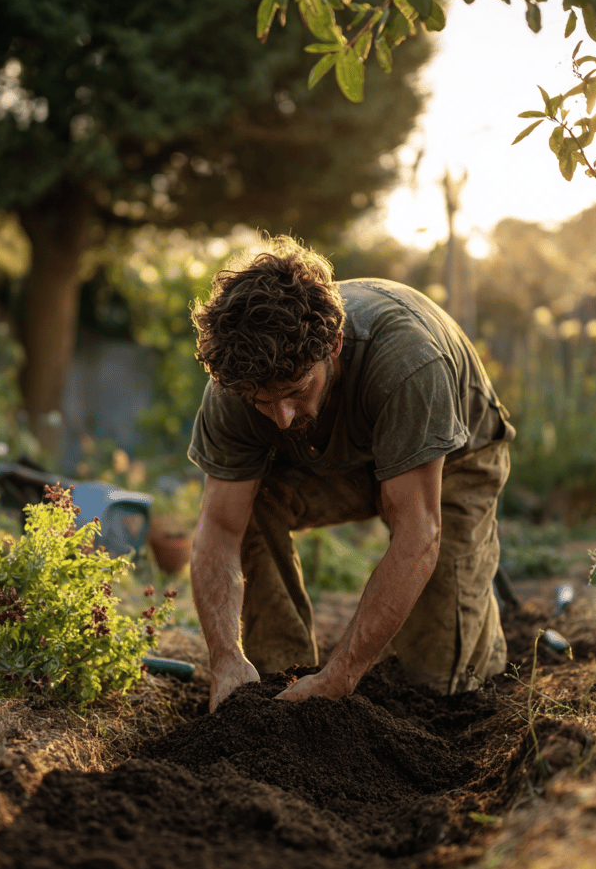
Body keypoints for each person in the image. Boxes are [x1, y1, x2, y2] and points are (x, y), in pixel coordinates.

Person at [187, 235, 515, 713]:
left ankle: (465, 651)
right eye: (262, 401)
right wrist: (223, 657)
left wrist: (343, 674)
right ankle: (279, 677)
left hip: (455, 458)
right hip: (328, 457)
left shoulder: (408, 362)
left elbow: (418, 534)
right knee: (252, 500)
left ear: (334, 345)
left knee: (441, 682)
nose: (280, 417)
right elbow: (218, 530)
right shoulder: (235, 389)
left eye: (296, 390)